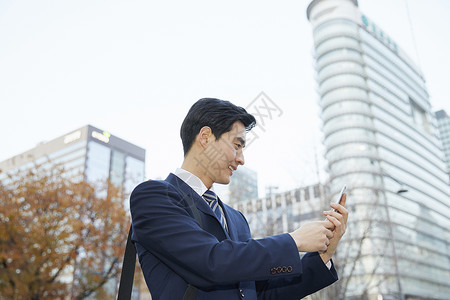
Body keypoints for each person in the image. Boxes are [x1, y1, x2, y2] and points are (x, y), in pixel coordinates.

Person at [130, 98, 348, 300]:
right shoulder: (154, 197)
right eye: (237, 145)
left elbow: (260, 294)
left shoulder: (236, 219)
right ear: (205, 137)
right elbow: (210, 262)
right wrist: (294, 240)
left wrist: (323, 255)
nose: (241, 159)